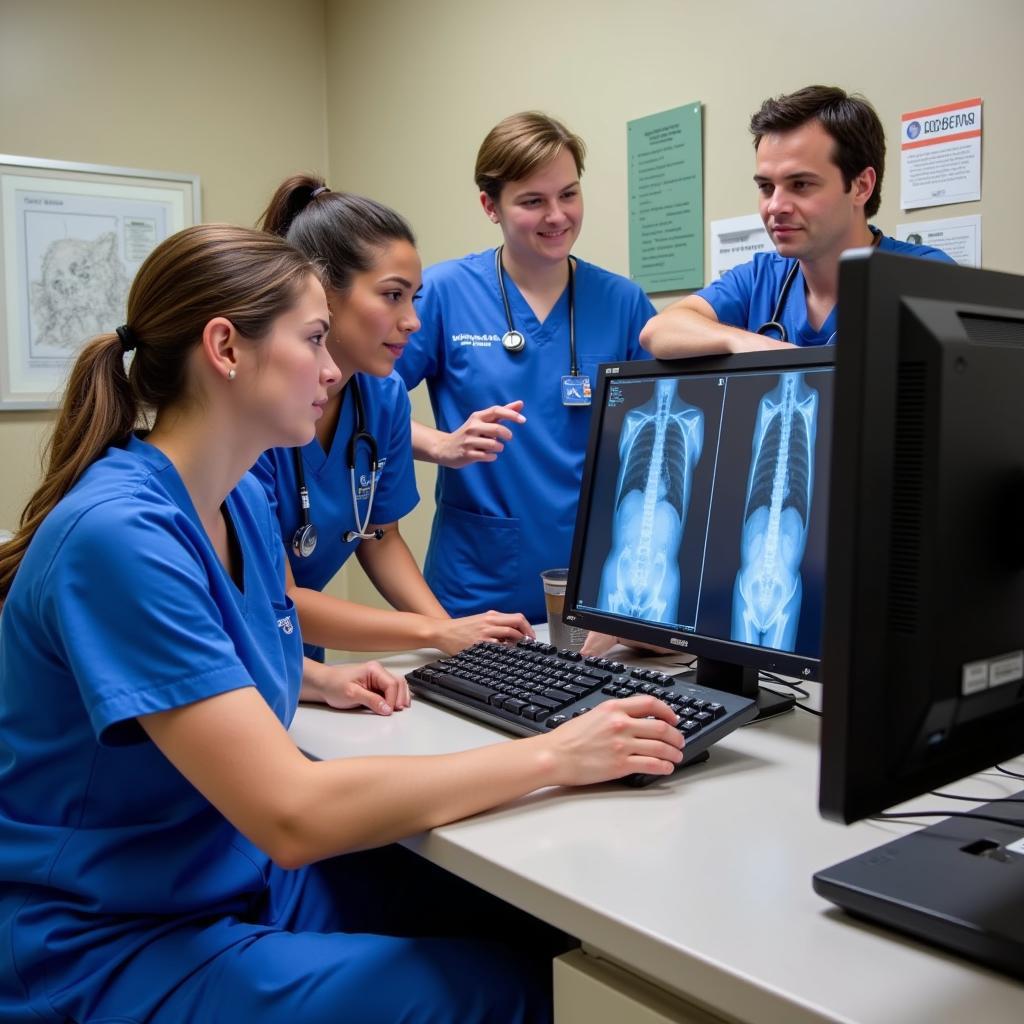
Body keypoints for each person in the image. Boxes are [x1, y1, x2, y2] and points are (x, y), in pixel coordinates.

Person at [0, 224, 685, 1023]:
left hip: (220, 872)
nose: (333, 370)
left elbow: (212, 663)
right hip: (105, 940)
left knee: (525, 924)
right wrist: (557, 754)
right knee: (508, 996)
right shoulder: (121, 536)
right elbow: (294, 815)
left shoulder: (240, 504)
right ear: (225, 348)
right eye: (315, 338)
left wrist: (315, 676)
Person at [255, 176, 533, 660]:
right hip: (237, 653)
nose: (413, 321)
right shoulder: (256, 413)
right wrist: (434, 634)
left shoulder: (381, 398)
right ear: (321, 293)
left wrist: (456, 637)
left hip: (296, 655)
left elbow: (379, 536)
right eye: (392, 295)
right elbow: (277, 598)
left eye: (414, 297)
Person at [396, 112, 656, 623]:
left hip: (599, 582)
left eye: (569, 194)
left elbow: (662, 432)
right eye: (533, 201)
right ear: (490, 206)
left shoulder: (622, 302)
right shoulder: (444, 293)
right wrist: (440, 446)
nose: (557, 216)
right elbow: (355, 408)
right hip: (476, 584)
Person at [641, 85, 954, 358]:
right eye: (766, 187)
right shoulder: (761, 279)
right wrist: (747, 343)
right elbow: (658, 331)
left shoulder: (925, 278)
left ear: (861, 186)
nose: (775, 206)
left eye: (801, 185)